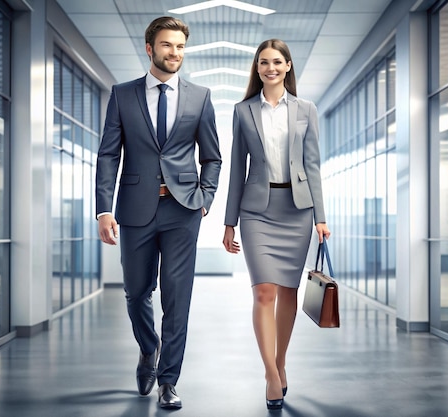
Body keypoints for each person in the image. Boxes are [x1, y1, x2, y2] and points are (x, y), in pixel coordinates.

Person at [95, 16, 221, 409]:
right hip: (135, 210)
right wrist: (103, 208)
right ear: (150, 49)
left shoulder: (199, 97)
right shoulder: (123, 94)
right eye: (167, 45)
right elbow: (108, 155)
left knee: (177, 298)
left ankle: (169, 381)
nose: (175, 53)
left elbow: (213, 156)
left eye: (180, 46)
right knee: (136, 293)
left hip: (183, 210)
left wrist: (205, 198)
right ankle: (148, 348)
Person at [222, 39, 330, 410]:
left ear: (287, 66)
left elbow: (313, 165)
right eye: (263, 62)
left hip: (297, 210)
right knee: (263, 292)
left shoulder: (306, 109)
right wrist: (229, 222)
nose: (270, 68)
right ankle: (270, 372)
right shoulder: (242, 111)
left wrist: (321, 217)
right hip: (257, 210)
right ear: (257, 68)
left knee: (288, 291)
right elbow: (238, 167)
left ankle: (281, 361)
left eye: (276, 62)